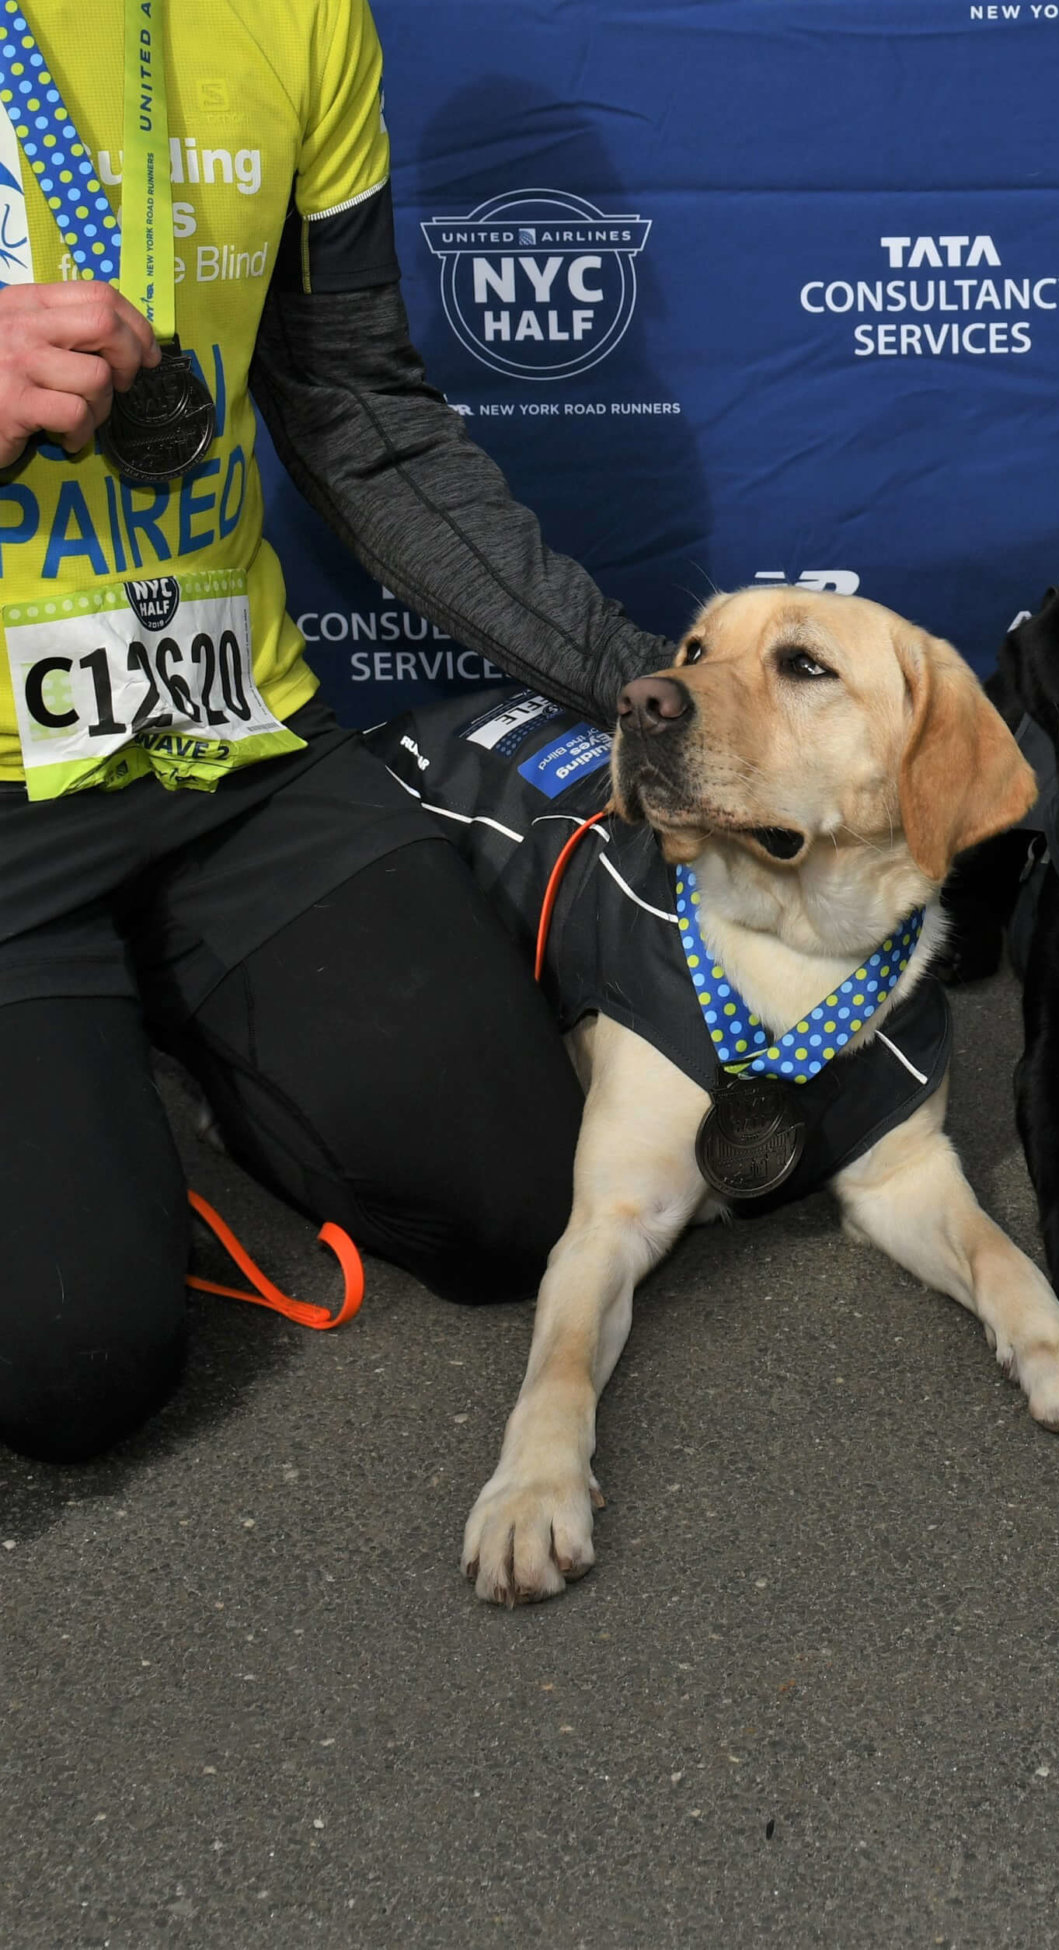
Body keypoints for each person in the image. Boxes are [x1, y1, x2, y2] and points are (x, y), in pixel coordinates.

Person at [0, 0, 671, 1463]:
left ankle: (148, 1051)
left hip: (226, 742)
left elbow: (356, 412)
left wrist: (646, 696)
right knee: (77, 1365)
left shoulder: (297, 15)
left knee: (516, 1212)